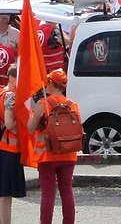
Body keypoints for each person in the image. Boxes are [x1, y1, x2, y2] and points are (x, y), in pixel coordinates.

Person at [26, 70, 79, 224]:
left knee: (48, 194)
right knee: (67, 190)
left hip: (47, 155)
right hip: (68, 153)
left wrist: (31, 112)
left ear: (50, 83)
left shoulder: (43, 104)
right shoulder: (73, 104)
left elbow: (30, 128)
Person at [0, 65, 25, 224]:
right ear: (11, 78)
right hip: (8, 147)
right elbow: (9, 124)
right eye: (19, 78)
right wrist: (23, 122)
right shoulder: (11, 96)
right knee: (5, 193)